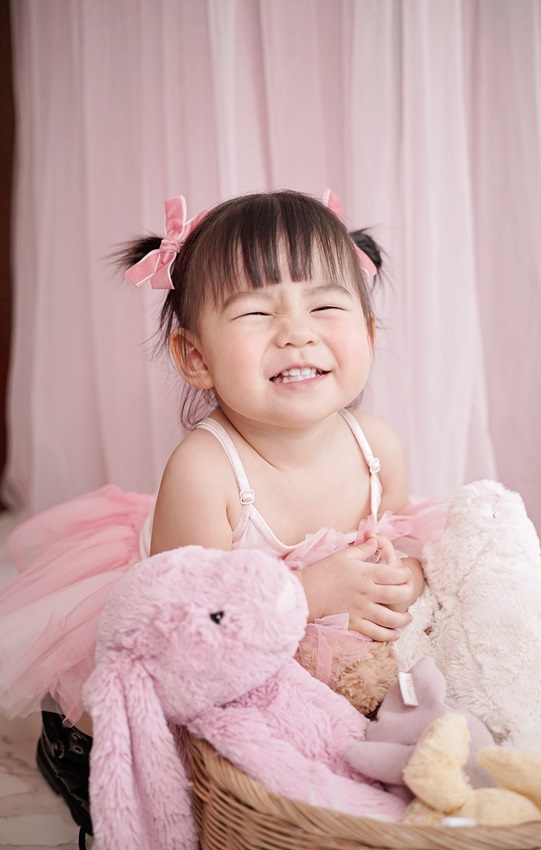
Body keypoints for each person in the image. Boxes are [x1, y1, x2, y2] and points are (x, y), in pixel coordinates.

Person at [0, 189, 441, 838]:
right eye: (256, 312)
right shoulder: (205, 472)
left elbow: (400, 538)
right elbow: (188, 636)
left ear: (368, 335)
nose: (296, 332)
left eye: (324, 306)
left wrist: (405, 575)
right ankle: (67, 750)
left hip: (314, 667)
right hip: (191, 657)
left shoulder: (376, 446)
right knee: (183, 767)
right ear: (197, 357)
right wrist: (310, 593)